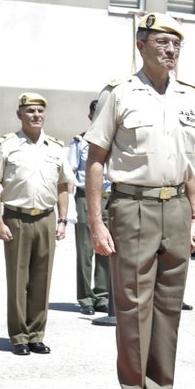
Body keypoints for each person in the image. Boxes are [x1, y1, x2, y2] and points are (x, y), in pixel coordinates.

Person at [85, 12, 195, 389]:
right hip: (132, 207)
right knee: (133, 309)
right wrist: (96, 221)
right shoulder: (119, 94)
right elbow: (96, 159)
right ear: (141, 45)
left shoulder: (192, 98)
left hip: (175, 208)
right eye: (161, 42)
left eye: (176, 44)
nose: (170, 50)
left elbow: (194, 164)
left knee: (169, 310)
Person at [0, 92, 71, 356]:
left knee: (42, 280)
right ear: (19, 114)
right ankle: (19, 336)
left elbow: (64, 186)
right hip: (17, 217)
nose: (36, 115)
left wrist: (63, 220)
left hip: (46, 217)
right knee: (18, 280)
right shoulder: (7, 145)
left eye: (40, 111)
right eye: (30, 111)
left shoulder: (55, 147)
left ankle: (36, 334)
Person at [67, 99, 111, 315]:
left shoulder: (115, 140)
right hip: (85, 197)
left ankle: (102, 294)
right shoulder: (80, 142)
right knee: (85, 249)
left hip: (110, 197)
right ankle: (85, 297)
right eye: (97, 113)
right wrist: (69, 208)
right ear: (90, 116)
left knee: (106, 248)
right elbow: (70, 174)